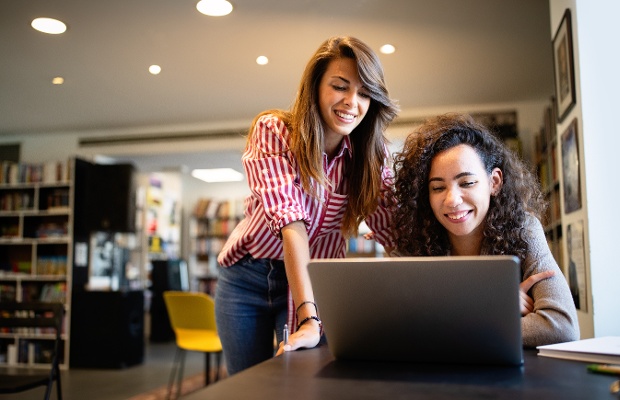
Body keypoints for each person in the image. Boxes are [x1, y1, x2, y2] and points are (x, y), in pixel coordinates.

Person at [215, 36, 399, 375]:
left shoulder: (372, 157)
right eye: (340, 87)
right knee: (247, 385)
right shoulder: (274, 131)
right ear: (315, 86)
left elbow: (394, 231)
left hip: (313, 278)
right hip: (247, 278)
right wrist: (309, 318)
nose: (351, 102)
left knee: (307, 381)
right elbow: (292, 224)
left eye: (363, 93)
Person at [389, 113, 579, 347]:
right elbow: (399, 324)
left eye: (467, 183)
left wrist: (447, 322)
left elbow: (561, 326)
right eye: (438, 187)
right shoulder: (414, 240)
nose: (452, 200)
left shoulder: (524, 228)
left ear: (494, 182)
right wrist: (492, 306)